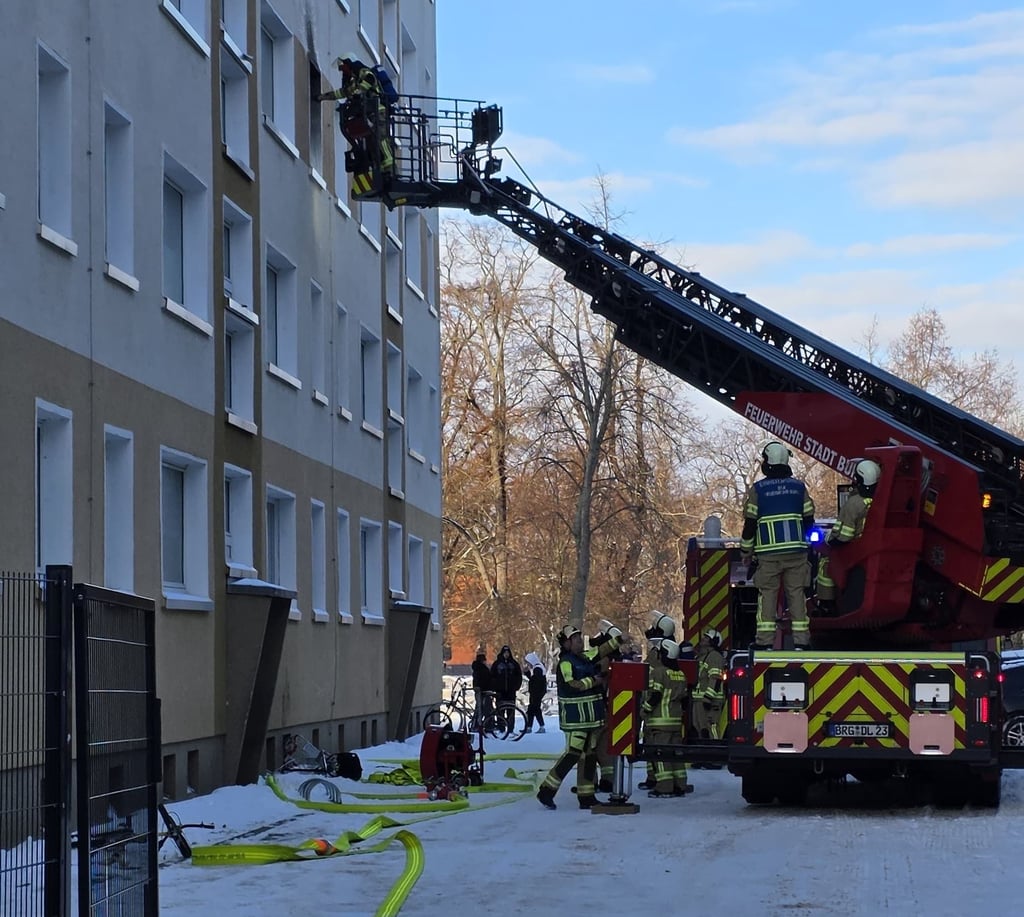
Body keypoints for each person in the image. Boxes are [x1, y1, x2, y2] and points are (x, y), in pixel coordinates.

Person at [537, 621, 623, 810]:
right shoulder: (566, 663)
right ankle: (546, 790)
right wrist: (593, 681)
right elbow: (570, 685)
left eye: (578, 638)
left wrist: (609, 634)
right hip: (576, 720)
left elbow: (612, 644)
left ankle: (587, 796)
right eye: (574, 639)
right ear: (566, 643)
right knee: (572, 755)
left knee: (589, 756)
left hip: (591, 719)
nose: (578, 642)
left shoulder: (586, 657)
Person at [740, 441, 816, 650]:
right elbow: (809, 519)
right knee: (797, 595)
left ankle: (764, 642)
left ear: (768, 462)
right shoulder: (799, 488)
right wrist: (811, 547)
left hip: (768, 556)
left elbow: (750, 524)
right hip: (797, 554)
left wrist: (746, 552)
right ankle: (802, 642)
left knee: (768, 596)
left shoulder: (758, 490)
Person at [314, 56, 394, 195]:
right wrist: (323, 97)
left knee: (381, 139)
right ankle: (381, 167)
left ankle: (388, 166)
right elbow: (342, 93)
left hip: (378, 111)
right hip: (369, 113)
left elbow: (364, 86)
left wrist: (355, 93)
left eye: (342, 67)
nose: (342, 71)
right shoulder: (355, 79)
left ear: (348, 63)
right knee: (372, 141)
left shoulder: (365, 73)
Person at [816, 459, 881, 615]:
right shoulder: (881, 501)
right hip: (873, 549)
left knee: (825, 563)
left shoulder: (854, 504)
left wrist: (827, 541)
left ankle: (827, 604)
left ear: (859, 479)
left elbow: (844, 537)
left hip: (856, 552)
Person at [642, 639, 690, 797]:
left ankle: (664, 787)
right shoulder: (680, 673)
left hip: (660, 722)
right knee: (676, 755)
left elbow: (656, 695)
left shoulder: (659, 672)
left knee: (661, 756)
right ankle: (680, 785)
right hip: (675, 723)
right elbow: (684, 699)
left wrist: (644, 711)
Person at [639, 610, 676, 791]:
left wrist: (644, 708)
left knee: (653, 746)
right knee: (655, 747)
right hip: (663, 713)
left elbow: (650, 675)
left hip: (657, 712)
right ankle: (654, 778)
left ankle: (658, 780)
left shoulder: (661, 652)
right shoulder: (665, 649)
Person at [690, 629, 726, 766]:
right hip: (699, 699)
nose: (703, 639)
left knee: (711, 728)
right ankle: (703, 757)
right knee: (700, 727)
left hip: (710, 700)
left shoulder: (715, 657)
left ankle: (715, 758)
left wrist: (708, 698)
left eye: (706, 637)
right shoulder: (702, 656)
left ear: (713, 641)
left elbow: (715, 679)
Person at [490, 645, 523, 733]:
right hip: (500, 692)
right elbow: (492, 676)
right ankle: (501, 728)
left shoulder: (514, 664)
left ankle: (510, 729)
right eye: (505, 653)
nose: (506, 655)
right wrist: (495, 686)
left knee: (511, 712)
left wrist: (516, 687)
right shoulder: (497, 664)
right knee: (500, 711)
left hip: (511, 693)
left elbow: (519, 676)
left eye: (508, 653)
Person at [524, 654, 548, 734]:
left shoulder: (537, 668)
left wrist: (529, 675)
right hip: (537, 692)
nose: (528, 664)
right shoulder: (539, 667)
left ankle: (537, 726)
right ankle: (530, 727)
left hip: (536, 693)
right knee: (533, 709)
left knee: (534, 709)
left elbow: (535, 681)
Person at [471, 650, 493, 726]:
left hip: (478, 690)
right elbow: (486, 679)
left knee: (479, 708)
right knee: (486, 709)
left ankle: (476, 724)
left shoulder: (476, 668)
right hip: (484, 691)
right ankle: (486, 725)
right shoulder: (483, 669)